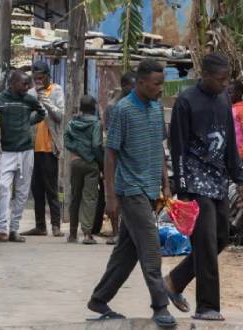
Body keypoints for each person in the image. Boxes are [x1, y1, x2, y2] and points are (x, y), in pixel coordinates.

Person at [86, 60, 176, 328]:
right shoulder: (123, 110)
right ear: (140, 83)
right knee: (150, 247)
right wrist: (111, 196)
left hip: (150, 188)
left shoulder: (156, 107)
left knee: (127, 251)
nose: (160, 89)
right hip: (130, 190)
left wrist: (165, 183)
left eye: (162, 83)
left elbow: (159, 146)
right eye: (156, 84)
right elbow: (110, 153)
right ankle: (160, 305)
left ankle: (99, 299)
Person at [163, 53, 243, 322]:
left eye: (227, 80)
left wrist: (241, 179)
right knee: (206, 241)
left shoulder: (224, 100)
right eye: (221, 80)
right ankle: (208, 306)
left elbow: (230, 144)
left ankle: (174, 281)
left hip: (217, 180)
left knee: (221, 237)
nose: (225, 85)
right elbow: (177, 145)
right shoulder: (186, 101)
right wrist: (182, 187)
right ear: (207, 75)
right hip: (194, 180)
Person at [0, 70, 46, 243]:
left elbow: (41, 113)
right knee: (4, 189)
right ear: (13, 83)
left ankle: (14, 229)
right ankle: (2, 229)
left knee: (22, 192)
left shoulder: (29, 99)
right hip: (6, 152)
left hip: (26, 151)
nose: (28, 87)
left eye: (29, 84)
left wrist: (28, 124)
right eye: (24, 84)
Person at [22, 61, 66, 237]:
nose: (38, 81)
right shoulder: (31, 93)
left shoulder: (56, 90)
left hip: (49, 147)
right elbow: (29, 117)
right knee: (36, 188)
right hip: (33, 147)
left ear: (48, 76)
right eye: (35, 78)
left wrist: (45, 101)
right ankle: (40, 226)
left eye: (41, 78)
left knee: (51, 188)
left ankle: (56, 225)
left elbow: (59, 116)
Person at [97, 71, 136, 245]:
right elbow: (111, 137)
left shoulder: (136, 102)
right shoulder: (115, 106)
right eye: (133, 86)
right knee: (115, 193)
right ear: (126, 86)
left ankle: (126, 232)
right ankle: (116, 231)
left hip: (131, 156)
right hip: (118, 155)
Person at [65, 95, 103, 245]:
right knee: (90, 198)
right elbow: (96, 145)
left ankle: (73, 234)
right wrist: (99, 161)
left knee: (75, 196)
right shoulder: (96, 124)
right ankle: (87, 234)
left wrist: (78, 149)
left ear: (80, 108)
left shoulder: (72, 123)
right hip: (91, 164)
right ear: (94, 109)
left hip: (75, 162)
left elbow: (66, 140)